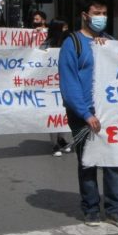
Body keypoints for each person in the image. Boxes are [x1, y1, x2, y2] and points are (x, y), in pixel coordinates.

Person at [59, 0, 118, 227]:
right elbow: (69, 85)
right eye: (96, 13)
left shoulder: (108, 42)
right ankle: (90, 208)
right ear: (85, 16)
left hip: (108, 112)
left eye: (104, 13)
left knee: (113, 162)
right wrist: (86, 114)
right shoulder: (72, 43)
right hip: (83, 114)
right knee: (88, 162)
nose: (101, 18)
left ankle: (114, 209)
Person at [42, 19, 72, 156]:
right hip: (50, 85)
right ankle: (54, 143)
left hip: (66, 82)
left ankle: (62, 139)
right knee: (53, 113)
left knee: (65, 112)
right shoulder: (46, 45)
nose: (66, 30)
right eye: (63, 27)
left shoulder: (70, 42)